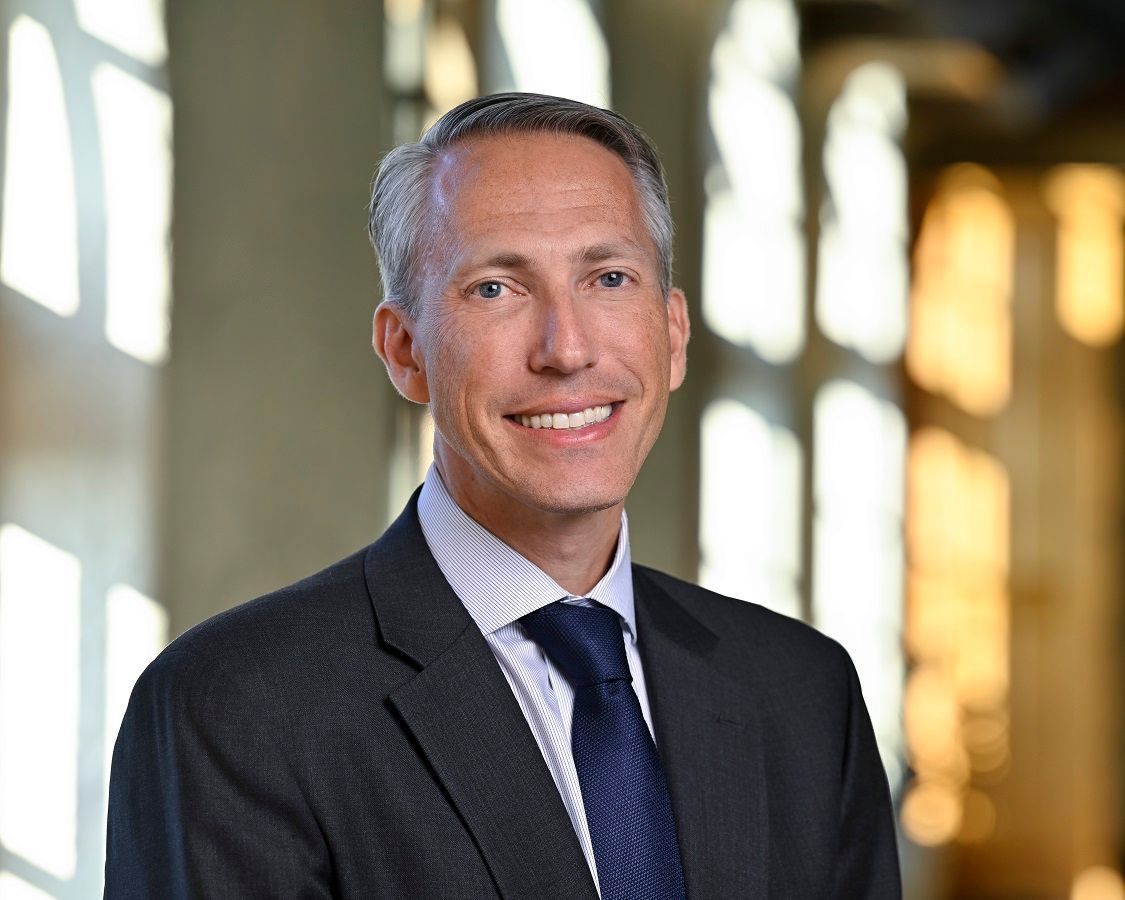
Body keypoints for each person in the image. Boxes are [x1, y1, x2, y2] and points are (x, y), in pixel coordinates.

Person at [105, 93, 901, 899]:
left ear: (671, 333)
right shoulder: (236, 707)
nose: (567, 349)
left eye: (609, 277)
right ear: (405, 349)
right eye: (495, 289)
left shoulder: (802, 695)